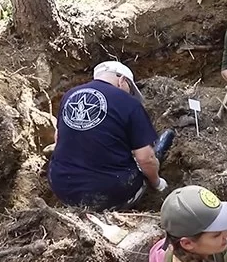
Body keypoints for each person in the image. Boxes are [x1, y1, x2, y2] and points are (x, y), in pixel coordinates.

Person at [49, 61, 172, 211]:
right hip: (108, 194)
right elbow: (146, 159)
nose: (129, 93)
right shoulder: (128, 103)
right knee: (143, 173)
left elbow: (58, 139)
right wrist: (157, 183)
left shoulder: (69, 95)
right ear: (122, 80)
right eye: (130, 89)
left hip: (62, 188)